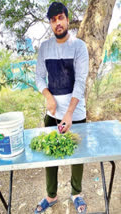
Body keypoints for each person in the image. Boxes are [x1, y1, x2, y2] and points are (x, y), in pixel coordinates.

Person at [35, 2, 89, 214]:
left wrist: (69, 113)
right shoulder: (44, 48)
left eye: (60, 18)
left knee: (78, 156)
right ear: (50, 23)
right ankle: (51, 195)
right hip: (52, 114)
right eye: (53, 19)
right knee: (51, 156)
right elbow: (39, 77)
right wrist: (48, 96)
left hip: (76, 113)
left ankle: (76, 193)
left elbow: (81, 81)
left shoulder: (79, 46)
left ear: (67, 19)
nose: (57, 23)